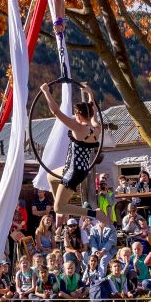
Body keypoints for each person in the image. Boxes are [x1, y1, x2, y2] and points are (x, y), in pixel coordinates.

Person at [39, 82, 102, 217]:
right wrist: (90, 93)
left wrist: (46, 92)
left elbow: (56, 111)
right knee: (50, 176)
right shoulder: (97, 129)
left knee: (57, 208)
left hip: (73, 172)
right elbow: (94, 112)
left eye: (75, 114)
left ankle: (94, 214)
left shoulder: (78, 127)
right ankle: (63, 207)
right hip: (78, 169)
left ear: (78, 115)